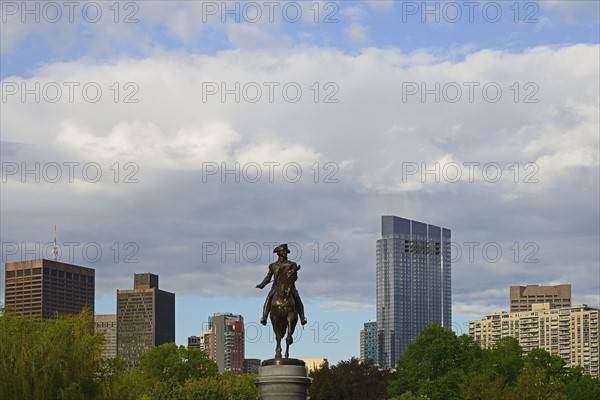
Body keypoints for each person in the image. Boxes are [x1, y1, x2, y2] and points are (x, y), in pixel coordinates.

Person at [256, 243, 307, 326]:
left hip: (290, 286)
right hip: (276, 287)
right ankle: (264, 317)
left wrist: (291, 278)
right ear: (278, 253)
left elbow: (295, 277)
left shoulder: (292, 264)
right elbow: (268, 277)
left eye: (286, 251)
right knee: (269, 297)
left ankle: (302, 317)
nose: (285, 253)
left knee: (297, 298)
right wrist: (262, 285)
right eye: (283, 251)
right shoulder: (273, 266)